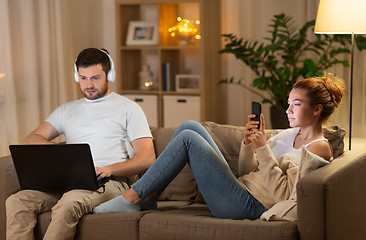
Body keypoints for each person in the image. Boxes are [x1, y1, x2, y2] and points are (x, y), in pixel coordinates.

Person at [94, 73, 344, 221]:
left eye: (296, 105)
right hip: (240, 189)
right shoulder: (289, 134)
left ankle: (131, 197)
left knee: (188, 140)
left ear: (317, 109)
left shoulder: (319, 148)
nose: (288, 110)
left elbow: (283, 197)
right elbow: (247, 171)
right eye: (289, 103)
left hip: (251, 206)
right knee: (189, 126)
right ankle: (147, 198)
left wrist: (264, 150)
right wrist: (249, 144)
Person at [5, 48, 156, 240]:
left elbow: (147, 158)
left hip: (108, 181)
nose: (89, 85)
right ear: (77, 76)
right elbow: (31, 139)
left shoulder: (129, 109)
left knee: (69, 202)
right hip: (66, 180)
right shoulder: (66, 111)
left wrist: (110, 169)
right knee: (17, 201)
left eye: (95, 78)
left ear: (110, 75)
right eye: (83, 78)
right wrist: (64, 157)